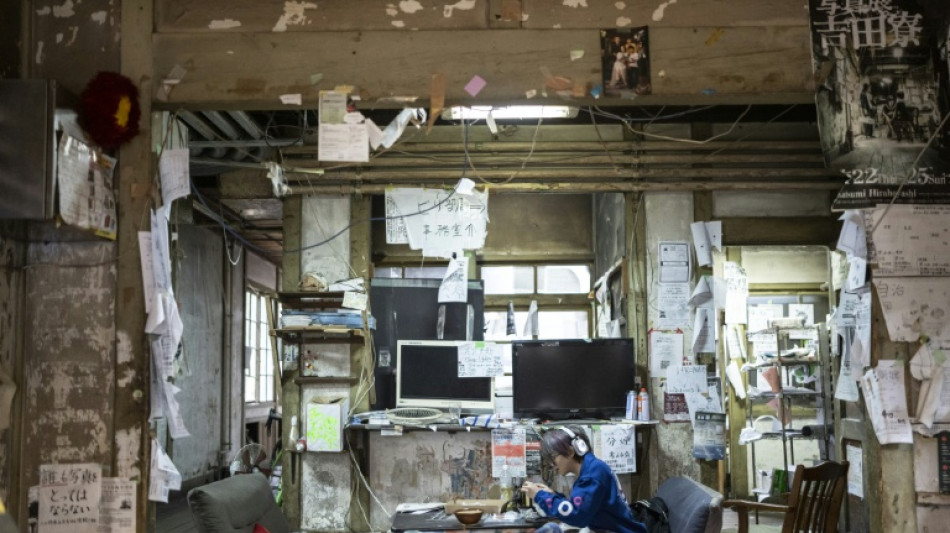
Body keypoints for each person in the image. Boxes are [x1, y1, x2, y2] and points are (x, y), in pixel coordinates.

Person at [521, 426, 647, 533]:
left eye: (553, 457)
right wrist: (552, 495)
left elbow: (577, 516)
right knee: (552, 528)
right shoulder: (593, 468)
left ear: (570, 451)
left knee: (552, 529)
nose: (552, 464)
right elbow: (578, 507)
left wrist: (540, 496)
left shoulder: (592, 475)